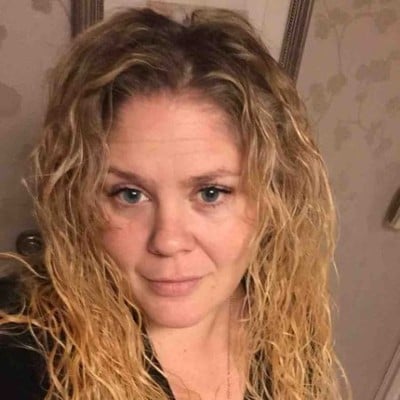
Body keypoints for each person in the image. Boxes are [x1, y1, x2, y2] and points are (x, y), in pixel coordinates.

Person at [0, 7, 351, 400]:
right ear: (79, 199)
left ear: (274, 195)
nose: (168, 241)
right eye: (130, 194)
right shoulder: (21, 347)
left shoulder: (283, 314)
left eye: (211, 193)